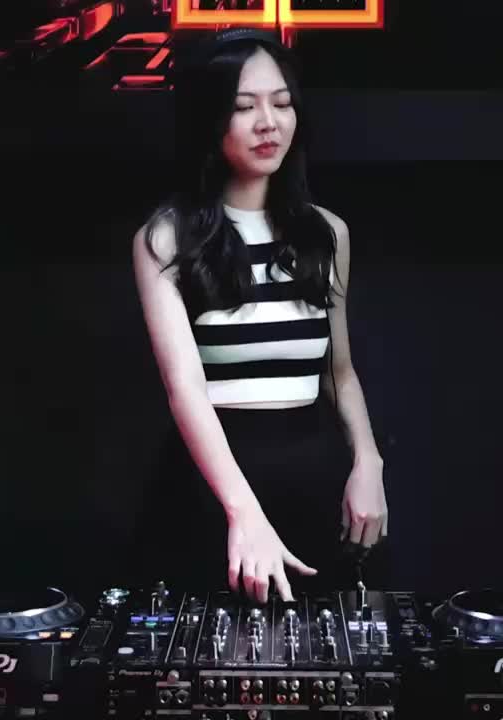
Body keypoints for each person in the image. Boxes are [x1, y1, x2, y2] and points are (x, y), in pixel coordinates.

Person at [130, 29, 388, 604]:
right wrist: (243, 513)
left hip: (315, 480)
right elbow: (185, 390)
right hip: (212, 485)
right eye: (244, 107)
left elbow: (339, 372)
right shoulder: (165, 239)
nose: (269, 123)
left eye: (282, 102)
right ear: (209, 118)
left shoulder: (327, 233)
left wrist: (368, 462)